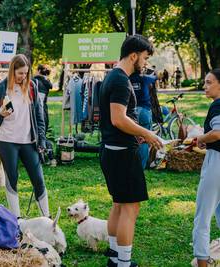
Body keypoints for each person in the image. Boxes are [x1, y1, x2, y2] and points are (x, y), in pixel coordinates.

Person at [99, 35, 163, 267]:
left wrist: (136, 133)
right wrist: (147, 133)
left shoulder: (113, 77)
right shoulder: (120, 80)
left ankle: (115, 257)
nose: (145, 64)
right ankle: (124, 263)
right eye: (144, 58)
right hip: (122, 154)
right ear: (133, 55)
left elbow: (117, 119)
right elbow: (118, 119)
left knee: (119, 204)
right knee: (130, 207)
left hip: (112, 150)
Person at [0, 54, 50, 218]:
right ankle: (17, 220)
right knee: (12, 179)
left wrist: (42, 140)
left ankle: (47, 219)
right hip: (6, 141)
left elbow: (39, 117)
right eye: (20, 73)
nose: (23, 77)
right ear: (12, 71)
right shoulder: (1, 88)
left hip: (29, 141)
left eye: (26, 73)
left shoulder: (32, 87)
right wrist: (0, 114)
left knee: (38, 179)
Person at [192, 69, 220, 267]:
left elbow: (218, 133)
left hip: (216, 162)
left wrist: (200, 138)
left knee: (202, 216)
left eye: (209, 82)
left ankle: (202, 262)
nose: (205, 86)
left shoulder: (218, 105)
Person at [129, 70, 157, 169]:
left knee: (132, 139)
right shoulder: (144, 78)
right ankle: (141, 166)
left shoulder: (127, 79)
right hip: (144, 111)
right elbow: (155, 78)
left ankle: (132, 164)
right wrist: (153, 73)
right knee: (145, 138)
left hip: (131, 112)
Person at [33, 64, 52, 134]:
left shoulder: (34, 81)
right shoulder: (47, 81)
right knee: (43, 126)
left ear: (39, 70)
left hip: (35, 107)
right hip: (44, 107)